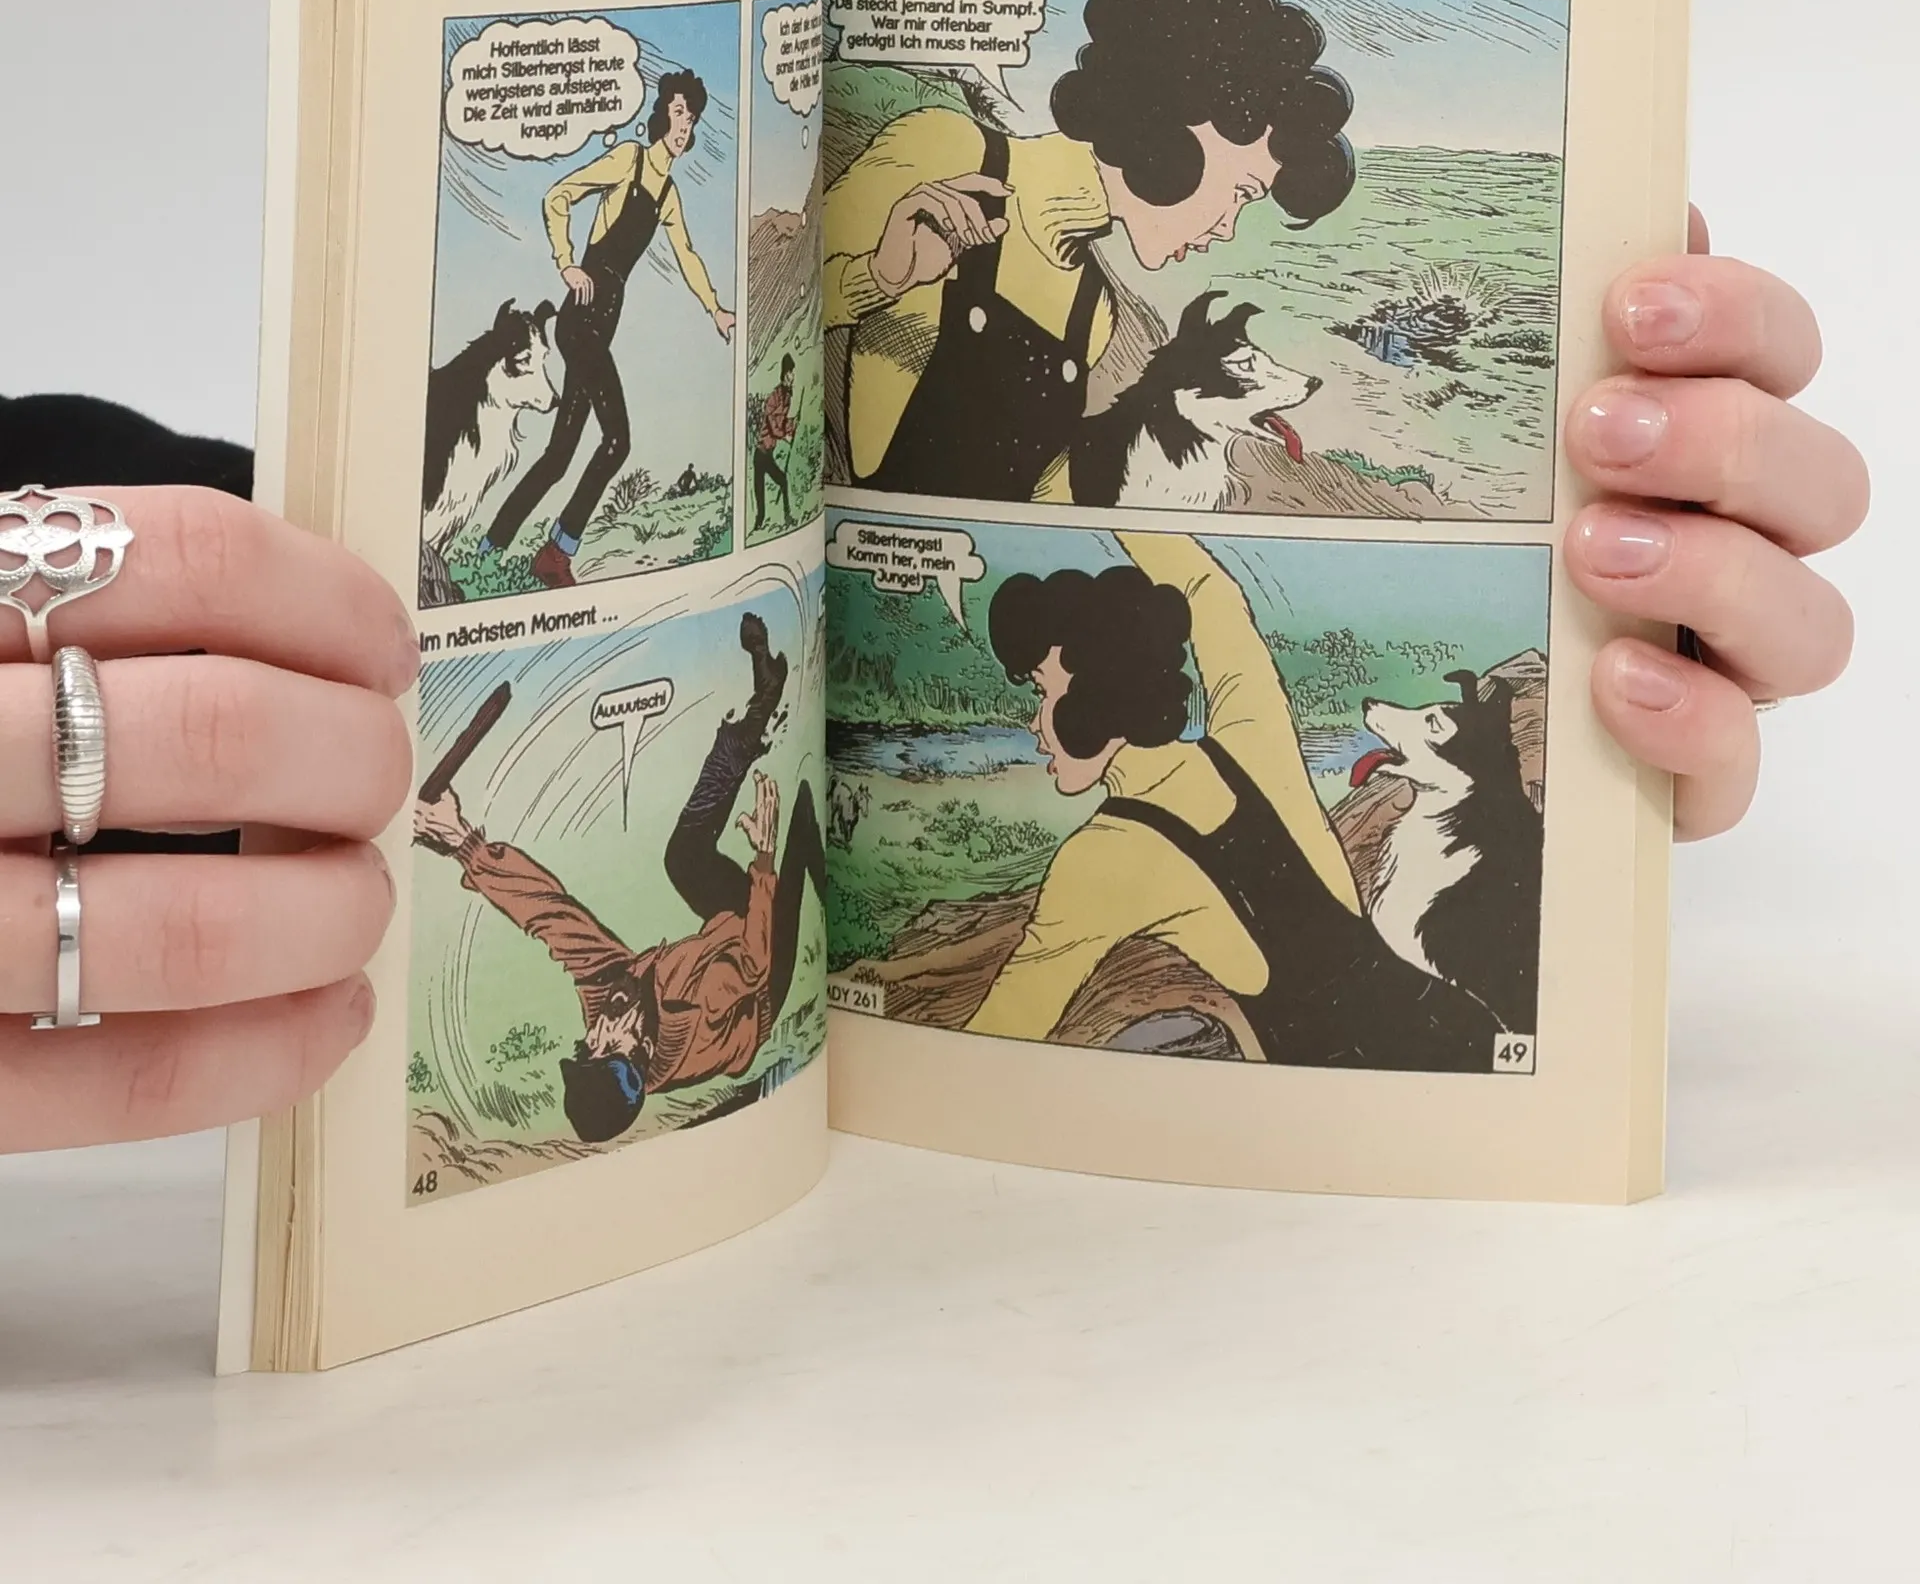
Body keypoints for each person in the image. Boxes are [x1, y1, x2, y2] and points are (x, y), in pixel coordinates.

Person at [0, 218, 1873, 1148]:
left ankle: (749, 730)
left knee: (740, 835)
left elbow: (1021, 963)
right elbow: (1208, 602)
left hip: (1389, 1092)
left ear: (1088, 715)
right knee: (738, 837)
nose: (612, 1035)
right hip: (1403, 1037)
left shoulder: (1111, 854)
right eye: (616, 1058)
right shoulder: (1239, 751)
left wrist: (1582, 587)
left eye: (1046, 692)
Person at [971, 533, 1498, 1067]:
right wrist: (1101, 507)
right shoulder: (1249, 737)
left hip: (1346, 1081)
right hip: (1461, 1032)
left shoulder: (1104, 852)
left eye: (1042, 692)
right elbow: (1208, 591)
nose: (1034, 724)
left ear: (1095, 697)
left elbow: (1008, 1020)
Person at [823, 0, 1354, 501]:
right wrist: (878, 278)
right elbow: (783, 318)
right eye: (1240, 193)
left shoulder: (1094, 309)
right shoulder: (947, 152)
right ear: (1177, 132)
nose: (1227, 228)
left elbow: (1044, 490)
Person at [411, 615, 824, 1140]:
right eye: (609, 1046)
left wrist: (461, 841)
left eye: (588, 1046)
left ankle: (759, 711)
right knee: (802, 820)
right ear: (646, 1050)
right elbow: (751, 961)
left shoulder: (610, 1003)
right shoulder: (691, 1007)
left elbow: (554, 916)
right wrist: (763, 859)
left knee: (684, 858)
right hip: (759, 983)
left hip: (727, 940)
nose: (598, 1029)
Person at [480, 71, 734, 590]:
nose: (685, 126)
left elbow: (687, 255)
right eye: (679, 113)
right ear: (662, 114)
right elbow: (558, 196)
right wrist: (567, 264)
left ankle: (490, 548)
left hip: (604, 322)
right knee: (617, 441)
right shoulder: (628, 161)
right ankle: (557, 552)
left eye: (692, 118)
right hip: (582, 319)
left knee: (559, 455)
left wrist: (715, 309)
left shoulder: (668, 195)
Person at [753, 352, 798, 533]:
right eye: (791, 372)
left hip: (768, 453)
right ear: (785, 373)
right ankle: (758, 524)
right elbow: (773, 426)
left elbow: (783, 421)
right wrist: (785, 436)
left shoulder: (787, 397)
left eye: (793, 372)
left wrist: (792, 425)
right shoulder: (774, 397)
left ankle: (787, 516)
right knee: (760, 492)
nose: (793, 376)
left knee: (783, 481)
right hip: (761, 453)